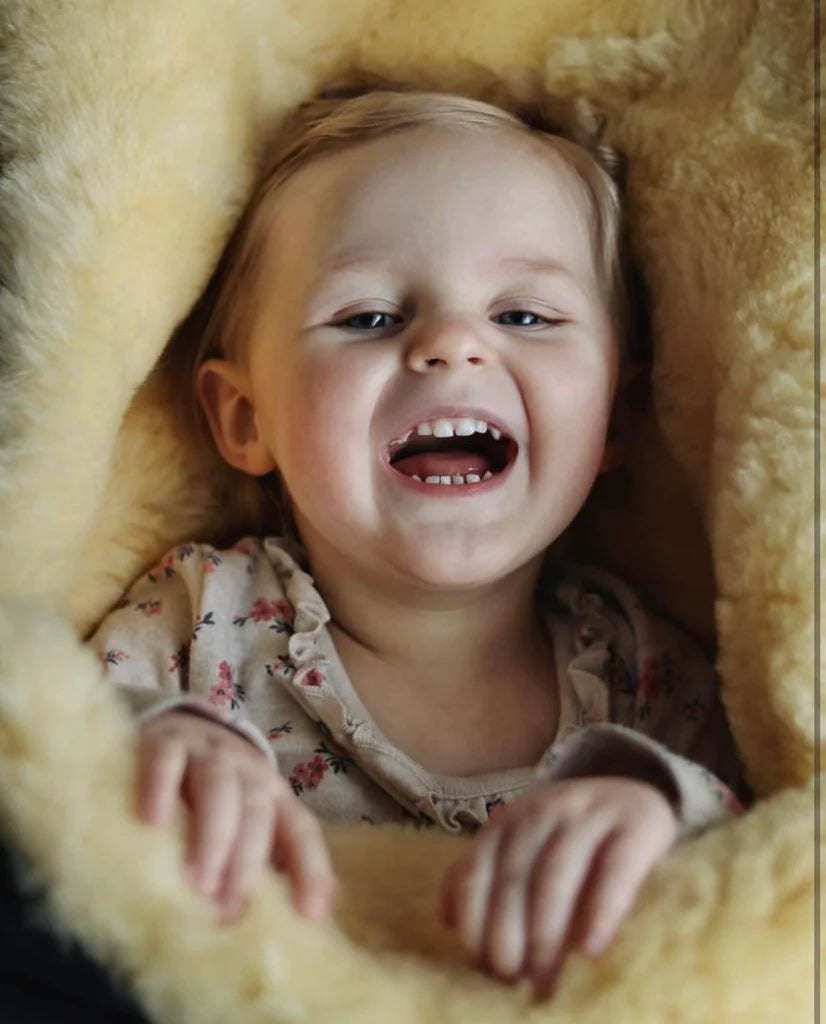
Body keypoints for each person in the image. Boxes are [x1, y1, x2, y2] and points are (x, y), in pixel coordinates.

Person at [88, 87, 746, 1000]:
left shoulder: (645, 678)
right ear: (245, 417)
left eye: (523, 316)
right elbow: (44, 757)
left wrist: (653, 809)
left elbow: (769, 881)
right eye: (368, 317)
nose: (451, 346)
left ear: (615, 420)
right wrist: (159, 745)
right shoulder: (203, 623)